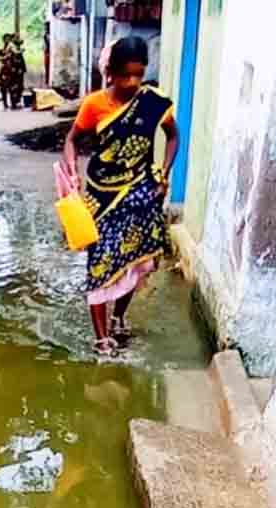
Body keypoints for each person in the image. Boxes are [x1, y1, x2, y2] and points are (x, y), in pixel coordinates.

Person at [63, 37, 180, 355]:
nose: (133, 82)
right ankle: (101, 338)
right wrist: (72, 170)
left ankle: (118, 317)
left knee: (133, 262)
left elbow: (172, 135)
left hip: (140, 195)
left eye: (139, 75)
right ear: (111, 73)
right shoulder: (94, 105)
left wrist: (163, 173)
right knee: (100, 265)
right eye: (126, 75)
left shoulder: (154, 103)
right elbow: (72, 140)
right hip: (101, 197)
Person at [0, 33, 27, 110]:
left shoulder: (13, 46)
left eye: (9, 38)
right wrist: (5, 57)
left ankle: (14, 103)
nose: (7, 40)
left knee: (13, 87)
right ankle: (6, 104)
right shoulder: (3, 49)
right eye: (6, 39)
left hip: (12, 70)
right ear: (3, 40)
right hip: (5, 70)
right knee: (4, 87)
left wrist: (20, 69)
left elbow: (19, 58)